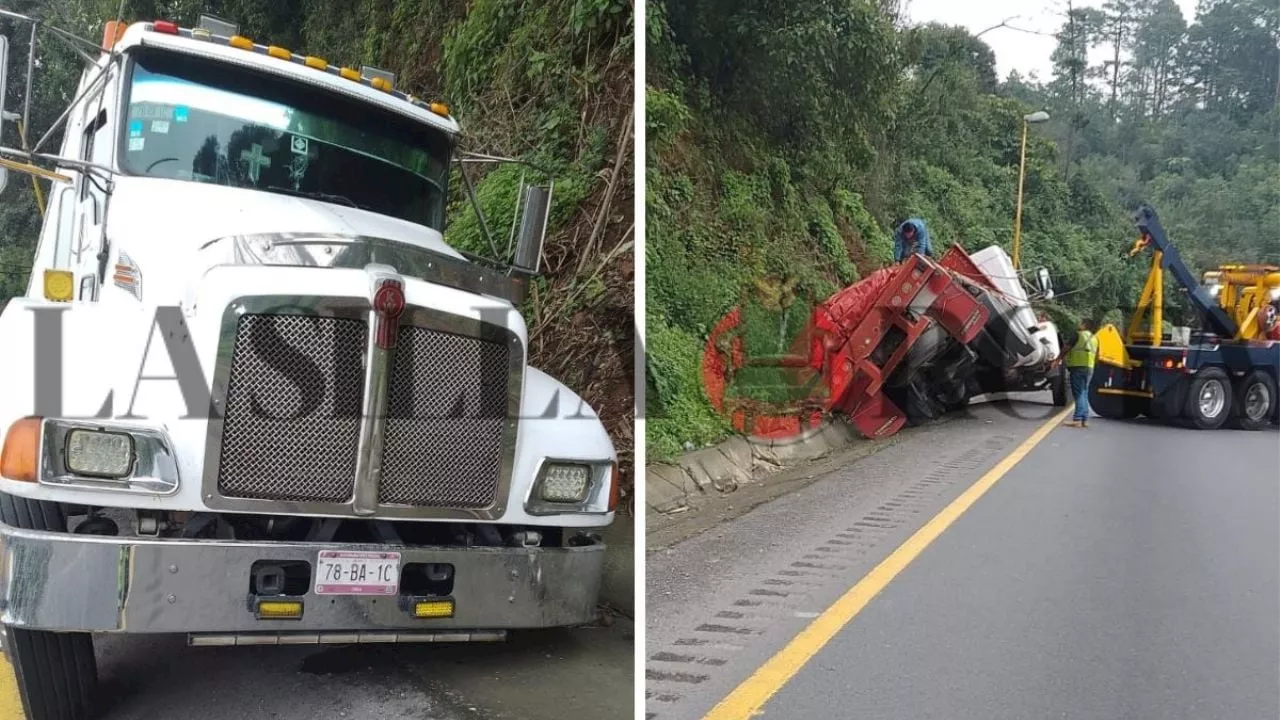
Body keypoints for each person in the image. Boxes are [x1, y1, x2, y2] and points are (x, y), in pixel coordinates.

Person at [1064, 318, 1099, 427]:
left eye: (1080, 323)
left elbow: (1066, 348)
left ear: (1084, 325)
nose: (1079, 325)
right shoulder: (1095, 338)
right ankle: (1084, 419)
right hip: (1090, 367)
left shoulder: (1078, 335)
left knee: (1078, 393)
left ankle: (1077, 419)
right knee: (1084, 392)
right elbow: (1098, 355)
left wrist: (1057, 359)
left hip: (1078, 367)